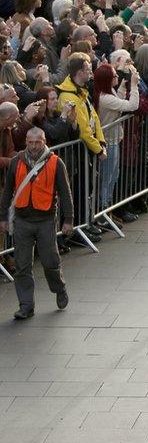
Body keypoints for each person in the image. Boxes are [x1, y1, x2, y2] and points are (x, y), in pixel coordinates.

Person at [0, 127, 72, 320]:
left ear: (44, 141)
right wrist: (3, 218)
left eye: (37, 142)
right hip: (22, 221)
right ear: (26, 142)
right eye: (30, 142)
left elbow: (65, 193)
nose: (33, 146)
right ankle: (26, 306)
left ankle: (59, 288)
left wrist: (69, 220)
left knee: (50, 262)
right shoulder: (16, 162)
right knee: (22, 266)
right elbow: (7, 191)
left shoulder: (56, 163)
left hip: (46, 221)